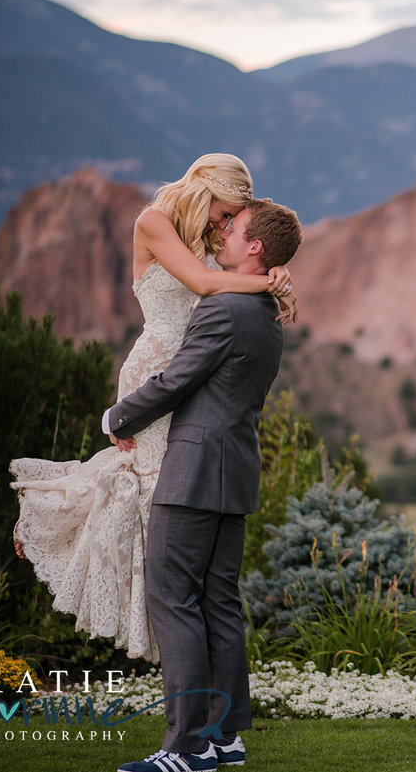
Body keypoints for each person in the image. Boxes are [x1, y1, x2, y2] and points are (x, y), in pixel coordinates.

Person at [10, 153, 296, 663]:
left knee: (164, 502)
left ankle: (190, 697)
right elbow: (207, 285)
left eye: (232, 220)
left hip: (190, 374)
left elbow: (239, 264)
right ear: (207, 190)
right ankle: (58, 517)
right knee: (149, 491)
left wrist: (274, 276)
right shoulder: (154, 222)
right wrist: (269, 284)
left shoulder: (212, 240)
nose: (224, 224)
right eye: (225, 212)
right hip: (158, 372)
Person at [112, 199, 302, 772]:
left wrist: (118, 418)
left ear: (255, 248)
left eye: (233, 229)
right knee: (219, 602)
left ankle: (186, 747)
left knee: (173, 599)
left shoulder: (224, 309)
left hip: (193, 471)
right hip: (236, 469)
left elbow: (177, 379)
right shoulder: (267, 314)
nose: (222, 236)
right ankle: (225, 738)